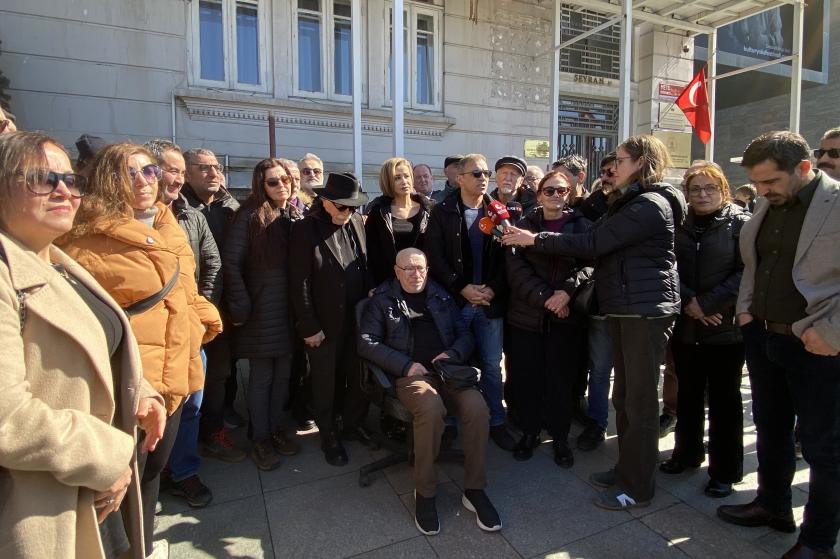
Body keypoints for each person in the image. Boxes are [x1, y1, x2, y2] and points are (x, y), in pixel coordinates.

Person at [0, 131, 165, 559]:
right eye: (42, 178)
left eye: (70, 181)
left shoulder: (54, 257)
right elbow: (6, 417)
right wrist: (108, 455)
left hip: (91, 480)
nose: (63, 190)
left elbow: (100, 341)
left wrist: (141, 390)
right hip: (48, 495)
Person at [503, 135, 686, 510]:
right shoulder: (630, 201)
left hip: (643, 311)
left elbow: (590, 245)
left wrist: (533, 239)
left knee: (639, 404)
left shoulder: (649, 205)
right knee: (625, 398)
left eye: (619, 160)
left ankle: (636, 488)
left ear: (641, 162)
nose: (612, 167)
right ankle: (625, 471)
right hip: (626, 308)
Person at [58, 143, 222, 555]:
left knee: (149, 479)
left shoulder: (168, 222)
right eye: (130, 173)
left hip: (176, 370)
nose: (145, 181)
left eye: (149, 172)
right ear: (107, 181)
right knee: (119, 486)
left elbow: (183, 285)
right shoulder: (85, 240)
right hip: (133, 382)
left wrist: (203, 316)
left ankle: (144, 548)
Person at [716, 131, 840, 559]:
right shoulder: (770, 203)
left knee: (825, 449)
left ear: (804, 168)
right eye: (758, 183)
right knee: (770, 430)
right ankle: (772, 506)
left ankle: (818, 542)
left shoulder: (837, 202)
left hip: (819, 348)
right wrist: (747, 312)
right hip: (764, 337)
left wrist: (832, 332)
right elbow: (757, 262)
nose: (762, 191)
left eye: (770, 182)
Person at [358, 248, 501, 535]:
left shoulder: (442, 296)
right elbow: (366, 342)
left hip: (449, 372)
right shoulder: (382, 300)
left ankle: (474, 490)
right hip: (411, 375)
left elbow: (465, 334)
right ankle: (424, 493)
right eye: (408, 269)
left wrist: (453, 352)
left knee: (477, 408)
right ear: (397, 272)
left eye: (420, 268)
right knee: (431, 408)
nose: (416, 274)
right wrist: (406, 365)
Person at [659, 163, 750, 499]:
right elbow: (666, 267)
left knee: (725, 401)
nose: (702, 194)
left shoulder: (740, 223)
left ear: (723, 189)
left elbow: (746, 272)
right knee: (688, 395)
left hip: (725, 329)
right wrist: (690, 303)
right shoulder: (679, 225)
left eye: (709, 188)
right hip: (687, 326)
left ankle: (725, 471)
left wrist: (710, 304)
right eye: (695, 188)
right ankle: (687, 453)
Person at [145, 139, 221, 508]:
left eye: (177, 171)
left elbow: (211, 263)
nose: (173, 178)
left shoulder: (192, 216)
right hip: (148, 337)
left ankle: (184, 470)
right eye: (167, 169)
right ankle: (150, 477)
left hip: (188, 331)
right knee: (154, 408)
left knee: (191, 404)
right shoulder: (129, 216)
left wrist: (195, 310)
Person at [425, 153, 514, 451]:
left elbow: (508, 260)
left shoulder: (498, 211)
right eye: (476, 173)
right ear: (459, 178)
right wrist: (462, 288)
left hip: (489, 303)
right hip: (455, 303)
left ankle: (496, 421)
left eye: (486, 172)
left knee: (491, 365)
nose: (483, 178)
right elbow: (434, 258)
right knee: (452, 363)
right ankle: (450, 423)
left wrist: (492, 289)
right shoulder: (442, 211)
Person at [505, 170, 592, 467]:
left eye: (562, 191)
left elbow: (590, 266)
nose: (556, 196)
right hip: (527, 317)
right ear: (539, 193)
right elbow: (516, 270)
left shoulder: (582, 226)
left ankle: (560, 438)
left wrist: (566, 294)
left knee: (561, 382)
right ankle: (529, 432)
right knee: (527, 379)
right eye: (550, 190)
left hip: (567, 319)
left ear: (571, 193)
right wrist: (548, 299)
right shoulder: (523, 226)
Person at [223, 158, 303, 471]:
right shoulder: (249, 216)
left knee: (283, 375)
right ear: (260, 185)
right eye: (273, 181)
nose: (282, 185)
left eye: (285, 179)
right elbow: (231, 263)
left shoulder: (292, 212)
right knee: (261, 379)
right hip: (259, 311)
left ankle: (276, 429)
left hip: (285, 310)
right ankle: (261, 438)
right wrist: (241, 307)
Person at [289, 172, 373, 466]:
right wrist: (309, 326)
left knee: (357, 377)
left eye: (353, 207)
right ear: (324, 201)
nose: (347, 212)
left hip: (357, 319)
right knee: (325, 383)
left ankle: (351, 425)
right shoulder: (305, 230)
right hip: (324, 323)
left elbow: (364, 263)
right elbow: (298, 282)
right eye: (342, 206)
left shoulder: (357, 223)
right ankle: (328, 435)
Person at [181, 148, 245, 462]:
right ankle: (204, 436)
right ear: (186, 173)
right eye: (203, 168)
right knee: (204, 374)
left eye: (216, 167)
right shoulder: (180, 209)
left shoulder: (229, 206)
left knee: (223, 370)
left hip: (225, 304)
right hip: (194, 305)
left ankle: (215, 426)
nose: (212, 173)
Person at [575, 151, 619, 452]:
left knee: (626, 375)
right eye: (603, 171)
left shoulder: (640, 204)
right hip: (599, 302)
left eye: (612, 171)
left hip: (633, 305)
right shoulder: (589, 206)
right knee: (599, 369)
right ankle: (596, 422)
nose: (606, 177)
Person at [365, 157, 432, 285]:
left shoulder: (429, 210)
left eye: (407, 176)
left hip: (424, 282)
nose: (404, 181)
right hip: (389, 283)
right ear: (388, 181)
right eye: (397, 178)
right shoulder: (378, 213)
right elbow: (370, 253)